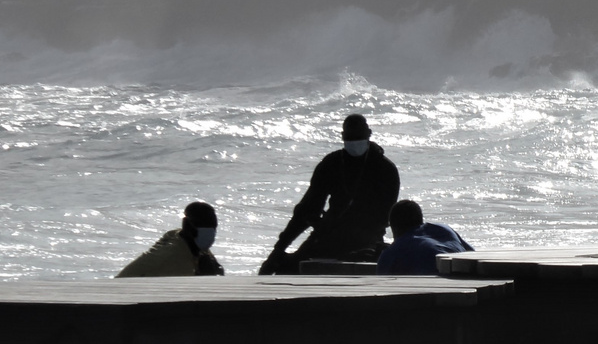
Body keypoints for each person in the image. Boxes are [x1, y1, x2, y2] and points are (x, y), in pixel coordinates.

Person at [259, 113, 400, 275]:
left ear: (369, 134)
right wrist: (278, 249)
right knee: (283, 268)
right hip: (328, 236)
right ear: (342, 137)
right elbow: (307, 209)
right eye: (350, 137)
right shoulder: (331, 164)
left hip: (366, 241)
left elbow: (383, 218)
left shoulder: (385, 169)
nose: (354, 141)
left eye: (358, 137)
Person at [116, 201, 225, 278]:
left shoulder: (192, 244)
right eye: (202, 228)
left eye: (212, 229)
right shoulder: (173, 255)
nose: (209, 234)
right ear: (187, 226)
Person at [376, 200, 474, 275]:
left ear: (394, 228)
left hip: (436, 292)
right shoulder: (445, 229)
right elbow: (471, 253)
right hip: (467, 279)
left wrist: (382, 256)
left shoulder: (392, 252)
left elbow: (382, 282)